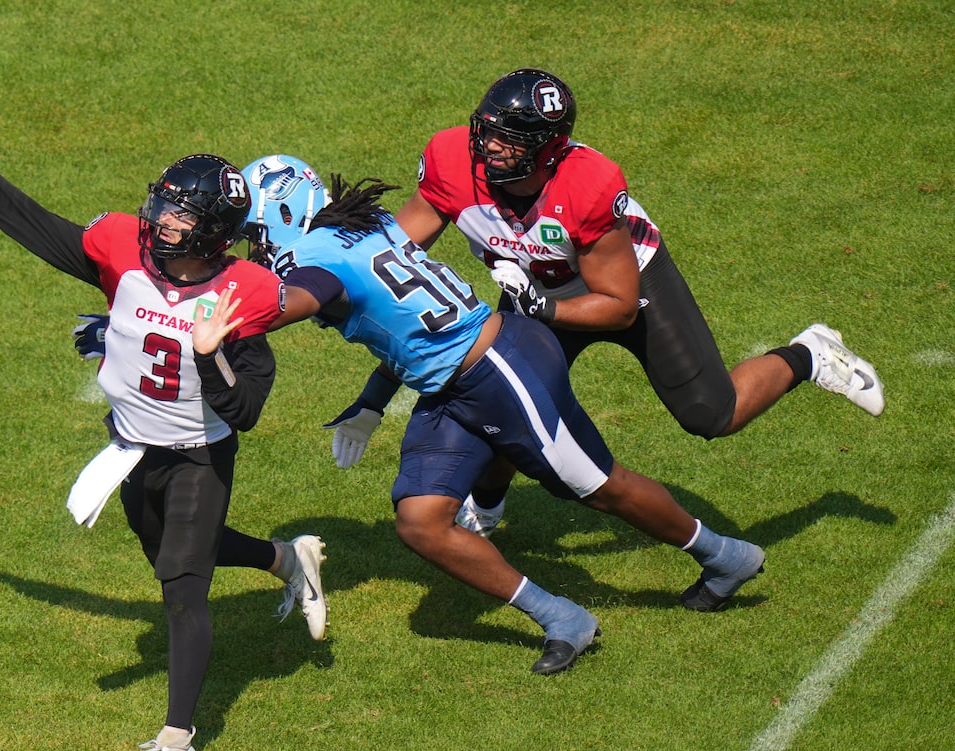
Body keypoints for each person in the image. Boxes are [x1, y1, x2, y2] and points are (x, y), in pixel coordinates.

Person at [0, 107, 328, 751]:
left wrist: (213, 355)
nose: (162, 222)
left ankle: (177, 743)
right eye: (162, 206)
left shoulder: (242, 296)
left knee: (183, 594)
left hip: (198, 453)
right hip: (133, 447)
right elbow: (34, 227)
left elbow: (245, 411)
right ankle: (288, 558)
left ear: (216, 231)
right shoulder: (120, 248)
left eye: (180, 216)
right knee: (173, 557)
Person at [234, 153, 764, 678]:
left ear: (282, 214)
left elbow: (299, 300)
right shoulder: (355, 228)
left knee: (601, 487)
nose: (252, 245)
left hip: (498, 371)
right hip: (453, 382)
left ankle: (724, 555)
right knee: (421, 522)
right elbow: (403, 325)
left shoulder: (314, 260)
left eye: (254, 230)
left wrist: (224, 322)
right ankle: (563, 617)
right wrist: (373, 402)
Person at [390, 68, 885, 535]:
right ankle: (488, 506)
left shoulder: (586, 185)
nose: (491, 146)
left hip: (626, 283)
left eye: (512, 139)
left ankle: (810, 354)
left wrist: (542, 310)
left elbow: (619, 305)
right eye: (489, 129)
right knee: (500, 393)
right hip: (535, 285)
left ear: (548, 150)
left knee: (711, 414)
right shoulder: (453, 159)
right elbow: (396, 250)